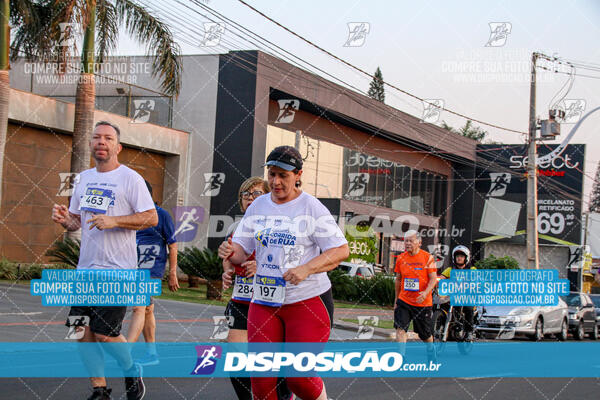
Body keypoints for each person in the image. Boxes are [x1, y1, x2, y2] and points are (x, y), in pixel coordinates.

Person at [218, 146, 349, 400]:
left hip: (307, 302)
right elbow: (241, 252)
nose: (276, 182)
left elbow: (341, 250)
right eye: (272, 174)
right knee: (262, 381)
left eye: (283, 176)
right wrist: (229, 250)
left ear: (298, 174)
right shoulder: (259, 207)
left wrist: (306, 268)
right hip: (264, 302)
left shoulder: (311, 207)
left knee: (298, 378)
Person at [52, 121, 158, 400]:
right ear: (91, 145)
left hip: (117, 271)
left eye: (108, 138)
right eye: (97, 137)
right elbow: (77, 222)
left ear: (118, 147)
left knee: (104, 334)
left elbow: (151, 217)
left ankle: (131, 368)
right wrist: (66, 220)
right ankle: (99, 389)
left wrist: (115, 221)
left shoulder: (130, 179)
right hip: (86, 270)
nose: (101, 141)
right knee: (81, 329)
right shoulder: (84, 179)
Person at [221, 176, 291, 400]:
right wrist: (227, 270)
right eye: (246, 195)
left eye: (257, 194)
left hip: (273, 304)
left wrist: (263, 266)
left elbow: (293, 260)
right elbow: (230, 258)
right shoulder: (236, 228)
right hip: (242, 302)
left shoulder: (281, 225)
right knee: (237, 359)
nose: (251, 199)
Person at [126, 180, 179, 365]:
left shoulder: (162, 215)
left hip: (151, 268)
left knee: (138, 307)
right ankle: (151, 353)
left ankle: (125, 352)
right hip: (133, 267)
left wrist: (172, 273)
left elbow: (172, 245)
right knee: (147, 310)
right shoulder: (133, 215)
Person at [394, 230, 438, 360]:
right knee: (400, 329)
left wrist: (425, 292)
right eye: (405, 241)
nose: (407, 243)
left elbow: (433, 279)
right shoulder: (401, 258)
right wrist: (396, 299)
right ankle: (401, 358)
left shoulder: (427, 258)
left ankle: (431, 349)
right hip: (404, 301)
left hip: (422, 303)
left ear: (419, 242)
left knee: (424, 334)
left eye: (410, 241)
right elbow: (398, 279)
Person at [440, 245, 477, 340]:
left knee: (469, 308)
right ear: (454, 258)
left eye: (461, 256)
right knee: (441, 305)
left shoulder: (471, 270)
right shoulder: (450, 270)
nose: (459, 258)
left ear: (466, 258)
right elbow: (441, 279)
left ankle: (469, 332)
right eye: (457, 256)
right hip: (452, 296)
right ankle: (440, 325)